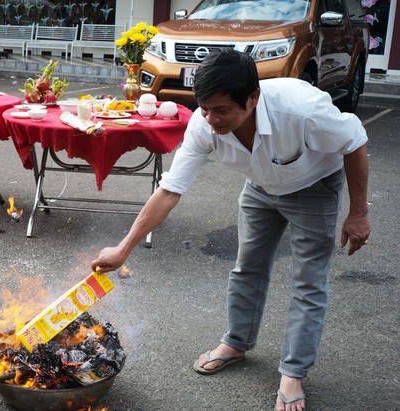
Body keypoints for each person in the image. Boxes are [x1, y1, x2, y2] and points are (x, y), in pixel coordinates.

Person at [91, 48, 369, 411]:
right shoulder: (204, 122)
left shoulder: (302, 110)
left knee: (308, 281)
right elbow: (171, 189)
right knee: (247, 267)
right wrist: (123, 248)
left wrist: (358, 213)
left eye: (221, 110)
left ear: (253, 98)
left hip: (313, 186)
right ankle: (237, 342)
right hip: (259, 186)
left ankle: (293, 371)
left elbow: (355, 142)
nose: (211, 118)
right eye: (205, 108)